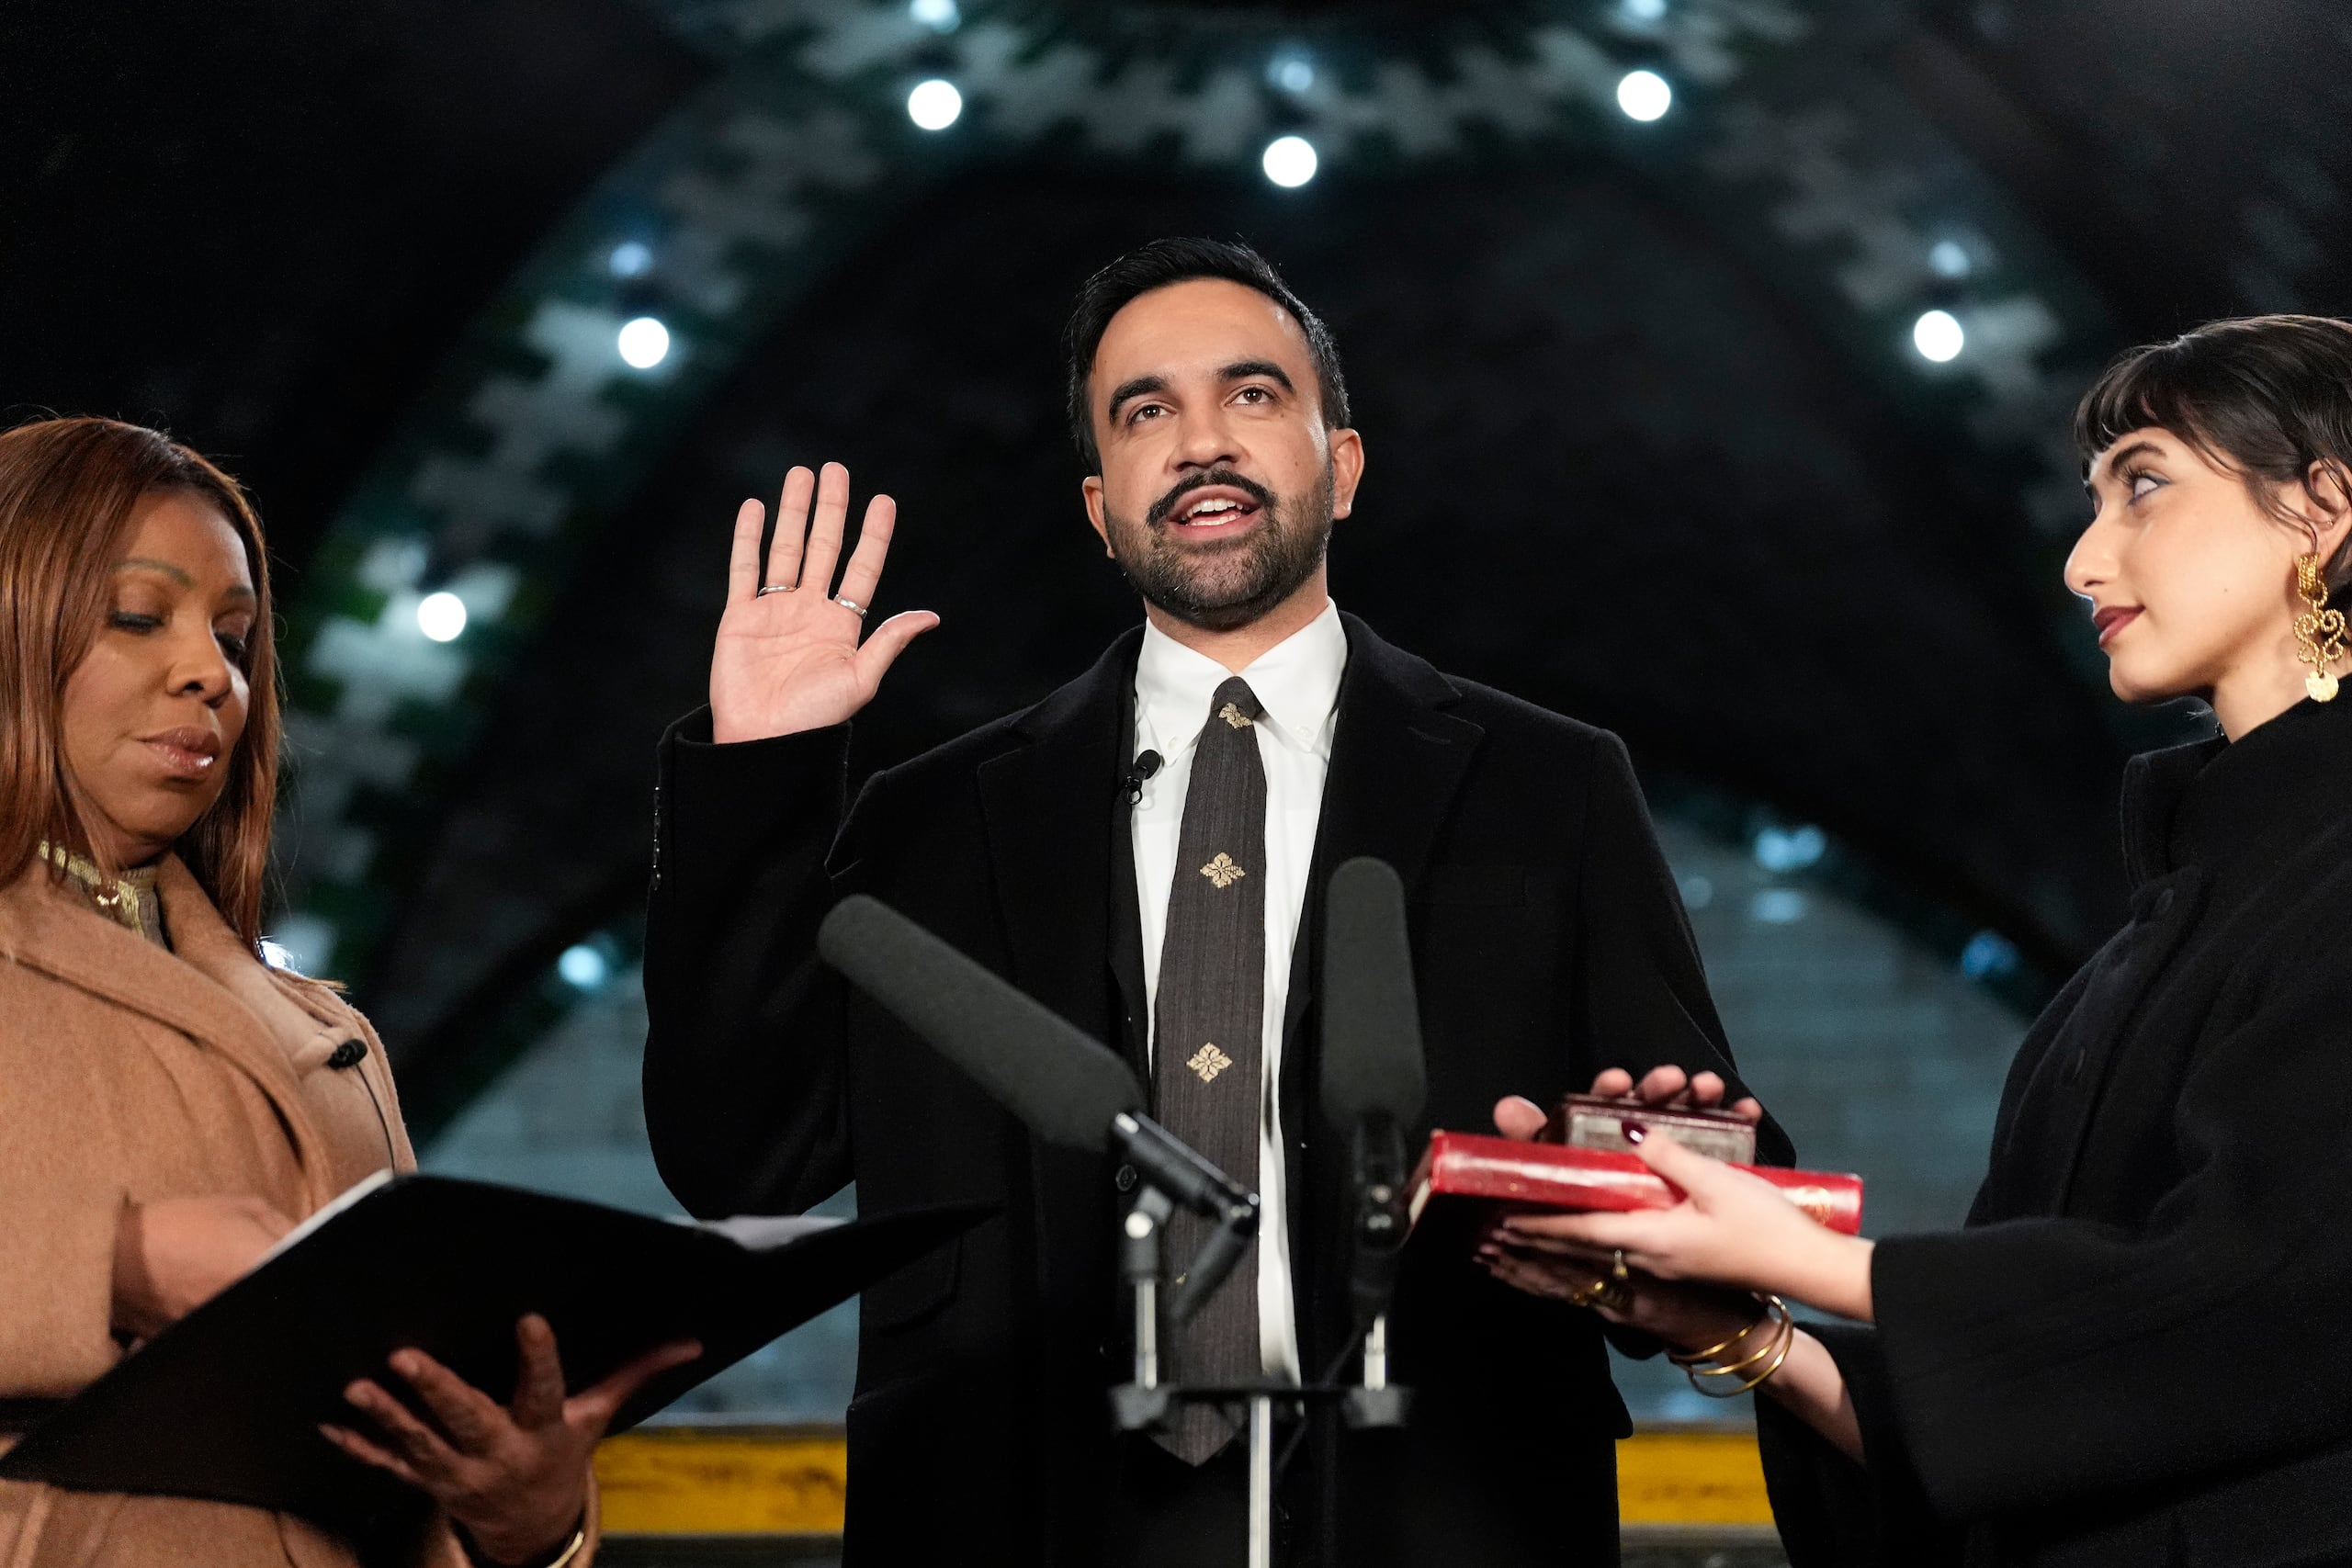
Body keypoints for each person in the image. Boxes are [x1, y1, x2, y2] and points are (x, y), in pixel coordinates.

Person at [640, 237, 1785, 1566]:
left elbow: (1704, 1172)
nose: (1200, 441)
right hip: (1009, 1514)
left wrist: (1670, 1184)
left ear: (1340, 465)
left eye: (1251, 395)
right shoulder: (932, 818)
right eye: (1145, 411)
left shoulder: (1554, 786)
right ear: (1098, 501)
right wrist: (761, 771)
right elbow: (740, 1155)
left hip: (1441, 1506)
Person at [1486, 313, 2352, 1567]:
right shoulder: (2112, 979)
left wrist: (1819, 1259)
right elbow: (2041, 1440)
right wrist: (1740, 1324)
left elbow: (2265, 1302)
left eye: (2146, 483)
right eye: (2093, 498)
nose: (2082, 558)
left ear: (2321, 506)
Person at [0, 417, 696, 1568]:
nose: (208, 674)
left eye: (235, 636)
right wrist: (114, 1262)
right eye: (139, 615)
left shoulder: (329, 1036)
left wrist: (526, 1520)